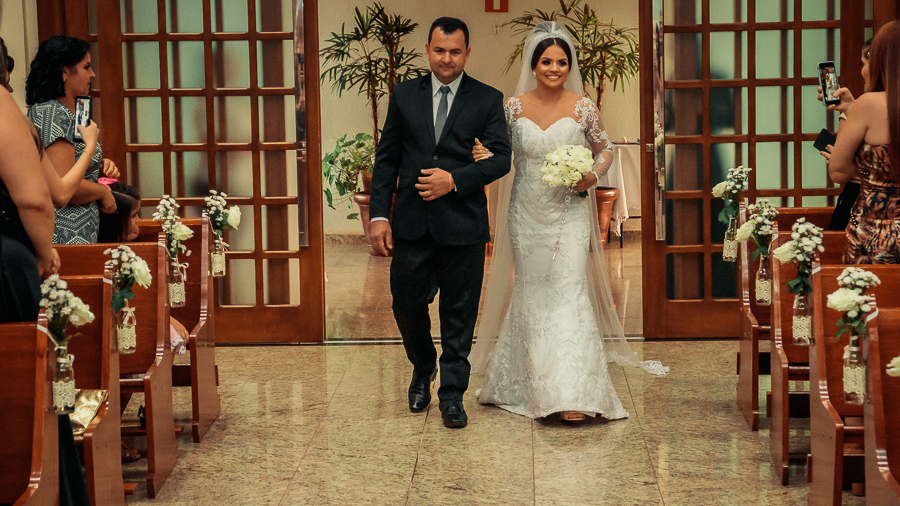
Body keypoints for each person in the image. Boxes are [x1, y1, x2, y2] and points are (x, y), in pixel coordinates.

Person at [469, 22, 667, 423]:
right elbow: (497, 151)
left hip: (569, 215)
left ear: (570, 65)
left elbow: (605, 148)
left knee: (568, 290)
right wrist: (482, 155)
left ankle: (572, 392)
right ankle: (528, 383)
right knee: (533, 292)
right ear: (534, 64)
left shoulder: (583, 107)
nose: (554, 68)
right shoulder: (512, 107)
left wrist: (592, 175)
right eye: (546, 61)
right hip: (526, 214)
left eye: (561, 62)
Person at [369, 17, 512, 428]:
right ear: (427, 50)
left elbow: (501, 159)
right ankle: (423, 365)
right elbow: (387, 160)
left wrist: (455, 180)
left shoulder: (487, 98)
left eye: (455, 51)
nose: (446, 59)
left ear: (467, 53)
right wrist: (379, 215)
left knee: (459, 313)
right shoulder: (404, 95)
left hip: (463, 224)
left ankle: (452, 394)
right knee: (406, 303)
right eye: (439, 50)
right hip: (412, 223)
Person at [0, 64, 91, 506]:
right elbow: (37, 198)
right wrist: (42, 251)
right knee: (25, 388)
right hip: (5, 261)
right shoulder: (9, 109)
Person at [25, 35, 120, 244]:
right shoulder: (52, 112)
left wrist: (98, 166)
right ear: (65, 71)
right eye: (86, 67)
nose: (93, 74)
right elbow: (63, 185)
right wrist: (102, 192)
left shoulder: (74, 110)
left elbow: (74, 164)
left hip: (82, 232)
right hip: (63, 235)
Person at [829, 21, 900, 264]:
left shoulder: (868, 103)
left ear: (880, 61)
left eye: (866, 62)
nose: (863, 70)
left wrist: (871, 174)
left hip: (875, 231)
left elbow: (838, 169)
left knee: (867, 289)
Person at [817, 38, 871, 231]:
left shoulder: (859, 109)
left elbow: (838, 173)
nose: (863, 71)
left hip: (860, 200)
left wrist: (846, 163)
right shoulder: (855, 109)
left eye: (865, 64)